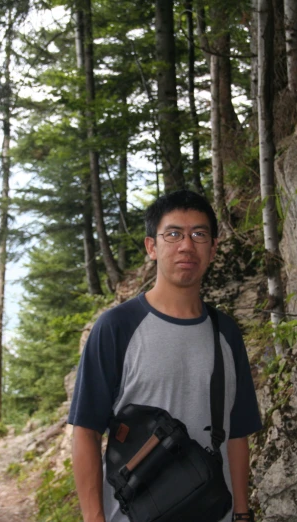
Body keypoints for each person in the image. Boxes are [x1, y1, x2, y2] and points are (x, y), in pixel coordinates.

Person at [68, 189, 262, 522]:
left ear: (213, 249)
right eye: (173, 234)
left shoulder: (226, 333)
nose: (187, 245)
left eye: (199, 234)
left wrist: (242, 513)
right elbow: (85, 431)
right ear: (151, 247)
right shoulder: (117, 327)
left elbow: (237, 434)